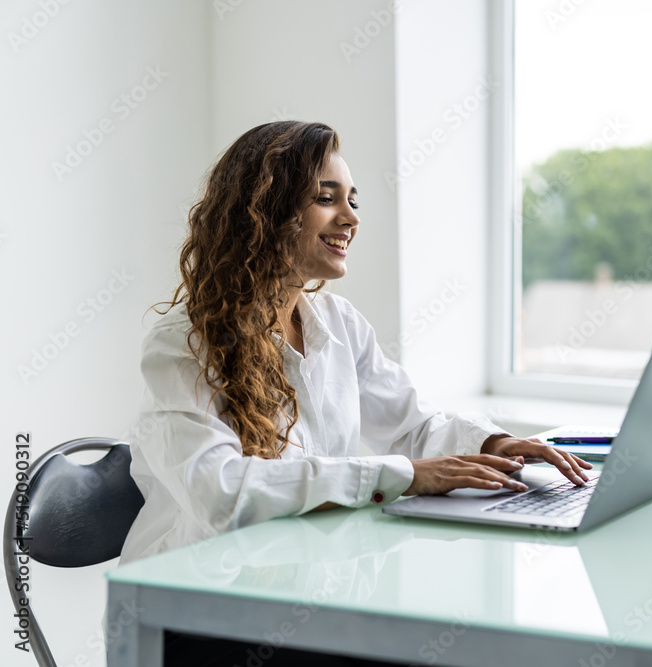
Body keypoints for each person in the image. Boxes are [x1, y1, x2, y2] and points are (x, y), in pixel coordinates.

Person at [117, 120, 592, 665]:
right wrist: (403, 474)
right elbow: (222, 494)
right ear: (265, 212)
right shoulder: (183, 342)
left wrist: (494, 444)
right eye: (326, 199)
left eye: (353, 200)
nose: (351, 218)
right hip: (200, 615)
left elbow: (412, 425)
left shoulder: (336, 323)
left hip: (304, 596)